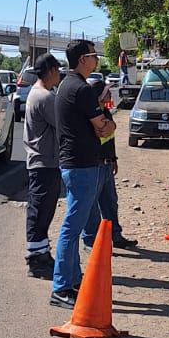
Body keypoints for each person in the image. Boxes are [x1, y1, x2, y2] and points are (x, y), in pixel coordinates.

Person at [49, 38, 115, 305]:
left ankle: (73, 282)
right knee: (71, 227)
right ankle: (62, 287)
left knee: (77, 225)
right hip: (82, 166)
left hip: (78, 164)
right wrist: (110, 123)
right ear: (82, 60)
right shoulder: (82, 89)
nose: (96, 59)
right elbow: (103, 127)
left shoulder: (66, 85)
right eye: (93, 55)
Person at [84, 74, 138, 251]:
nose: (110, 95)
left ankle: (115, 236)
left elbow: (109, 137)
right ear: (99, 96)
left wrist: (113, 159)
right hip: (95, 165)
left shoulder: (105, 112)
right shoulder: (92, 115)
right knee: (92, 205)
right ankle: (91, 240)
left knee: (110, 202)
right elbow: (102, 133)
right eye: (107, 92)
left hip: (106, 164)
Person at [23, 52, 62, 277]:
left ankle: (41, 254)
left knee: (43, 211)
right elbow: (64, 124)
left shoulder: (37, 94)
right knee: (40, 212)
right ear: (50, 71)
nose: (58, 74)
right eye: (57, 70)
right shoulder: (45, 97)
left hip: (43, 161)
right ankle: (36, 260)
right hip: (44, 162)